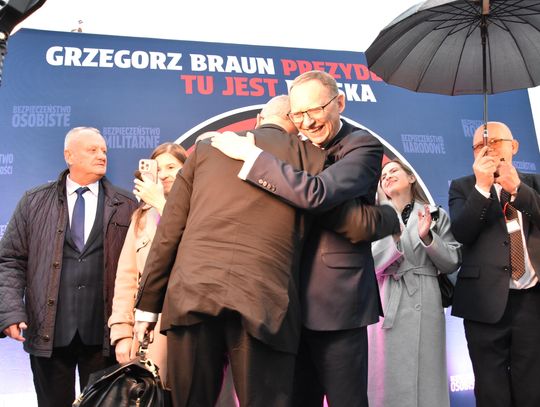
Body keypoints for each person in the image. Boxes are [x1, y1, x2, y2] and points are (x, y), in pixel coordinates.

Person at [133, 95, 396, 407]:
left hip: (191, 295)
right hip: (264, 303)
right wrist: (392, 213)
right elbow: (356, 225)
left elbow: (169, 233)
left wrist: (147, 308)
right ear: (295, 124)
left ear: (259, 119)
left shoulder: (206, 149)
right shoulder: (309, 158)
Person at [211, 70, 385, 407]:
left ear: (339, 103)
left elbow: (318, 193)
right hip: (285, 305)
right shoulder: (293, 150)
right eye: (298, 114)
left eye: (315, 110)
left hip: (337, 303)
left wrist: (251, 156)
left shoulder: (362, 145)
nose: (307, 122)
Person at [0, 127, 138, 407]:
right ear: (69, 155)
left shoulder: (126, 204)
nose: (101, 155)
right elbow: (10, 260)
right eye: (92, 150)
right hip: (48, 333)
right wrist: (11, 311)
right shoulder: (34, 201)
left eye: (104, 151)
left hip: (104, 336)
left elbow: (139, 267)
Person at [448, 121, 540, 407]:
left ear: (514, 146)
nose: (487, 148)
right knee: (491, 392)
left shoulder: (535, 183)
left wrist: (518, 190)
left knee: (532, 389)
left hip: (532, 300)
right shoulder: (463, 187)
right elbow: (462, 233)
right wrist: (482, 188)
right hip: (483, 303)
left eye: (495, 141)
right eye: (478, 145)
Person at [368, 159, 461, 407]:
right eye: (383, 176)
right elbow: (369, 263)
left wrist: (427, 237)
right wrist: (394, 237)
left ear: (411, 178)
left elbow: (452, 262)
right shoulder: (374, 218)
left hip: (425, 298)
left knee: (427, 375)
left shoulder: (435, 215)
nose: (387, 176)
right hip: (387, 298)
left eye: (393, 171)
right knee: (384, 377)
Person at [108, 142, 187, 381]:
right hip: (149, 332)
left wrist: (164, 206)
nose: (163, 175)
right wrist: (122, 332)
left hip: (190, 329)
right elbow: (127, 277)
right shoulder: (142, 217)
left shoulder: (201, 211)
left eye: (171, 167)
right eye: (158, 169)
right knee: (152, 391)